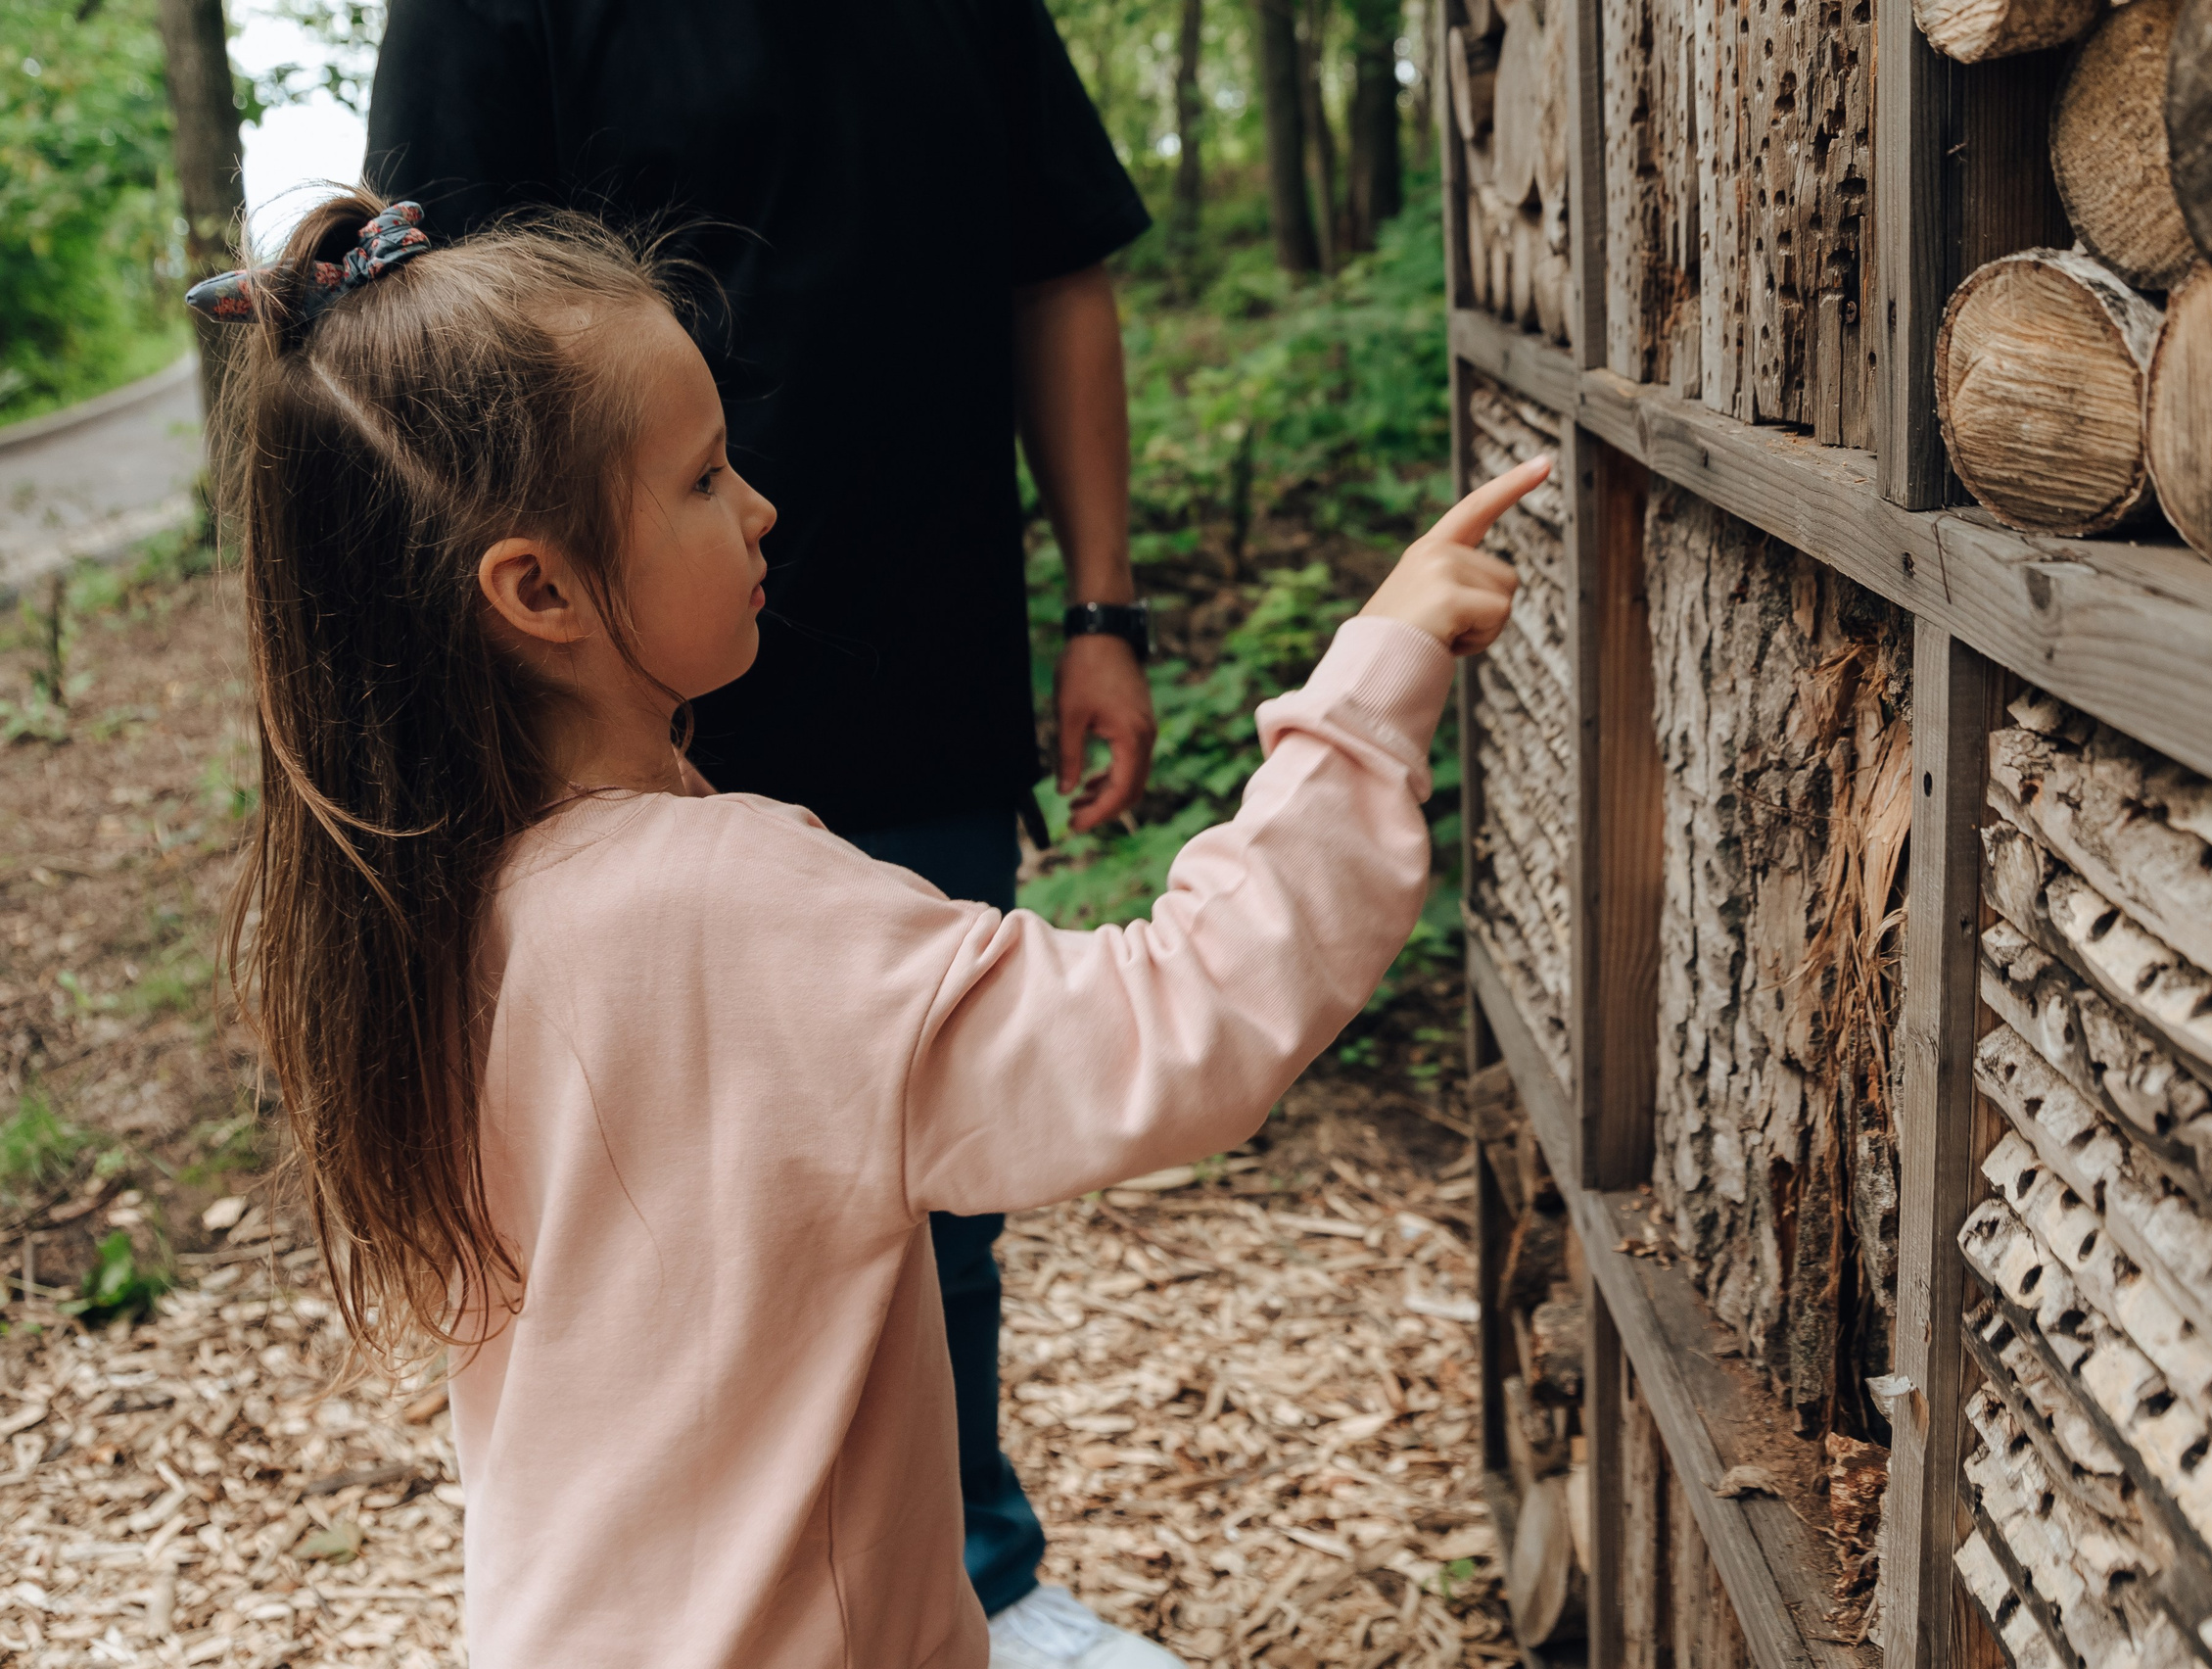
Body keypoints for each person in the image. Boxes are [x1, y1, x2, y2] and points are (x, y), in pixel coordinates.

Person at [203, 194, 1546, 1669]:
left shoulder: (422, 900)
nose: (761, 505)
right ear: (539, 590)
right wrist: (1374, 683)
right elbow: (1182, 1023)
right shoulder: (714, 906)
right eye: (705, 478)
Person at [359, 6, 1163, 1656]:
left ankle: (974, 1577)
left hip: (925, 669)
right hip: (602, 711)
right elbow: (414, 376)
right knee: (637, 1229)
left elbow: (1054, 262)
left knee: (935, 1201)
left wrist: (1105, 609)